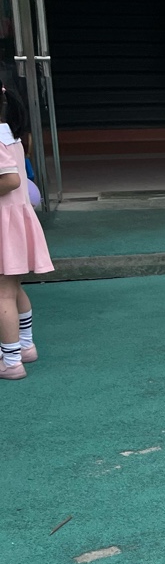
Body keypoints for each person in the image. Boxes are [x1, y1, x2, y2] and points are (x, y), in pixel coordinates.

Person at [0, 85, 52, 380]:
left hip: (4, 224)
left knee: (2, 294)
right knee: (14, 288)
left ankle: (10, 362)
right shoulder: (12, 136)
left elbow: (10, 180)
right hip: (16, 221)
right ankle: (25, 346)